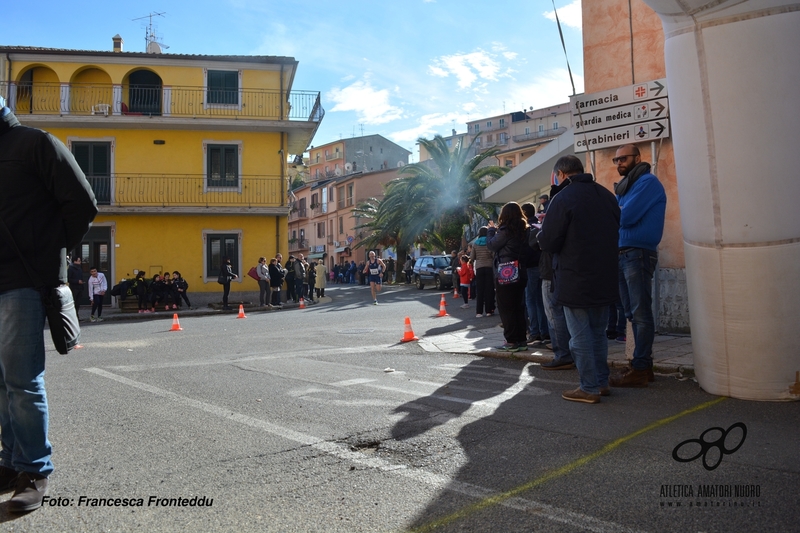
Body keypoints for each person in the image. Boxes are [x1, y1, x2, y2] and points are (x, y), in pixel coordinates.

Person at [0, 94, 98, 512]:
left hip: (24, 281)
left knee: (21, 381)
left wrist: (52, 255)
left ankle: (34, 469)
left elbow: (83, 203)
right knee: (3, 384)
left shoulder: (35, 143)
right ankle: (10, 462)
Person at [537, 155, 620, 404]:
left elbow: (549, 241)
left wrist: (540, 235)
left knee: (580, 335)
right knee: (598, 333)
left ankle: (588, 387)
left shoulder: (562, 198)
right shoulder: (606, 195)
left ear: (561, 174)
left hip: (575, 276)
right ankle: (601, 382)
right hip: (604, 274)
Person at [610, 144, 667, 388]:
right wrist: (617, 213)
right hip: (623, 252)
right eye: (616, 160)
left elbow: (624, 217)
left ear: (638, 158)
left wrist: (618, 213)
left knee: (640, 312)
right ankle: (643, 365)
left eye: (623, 158)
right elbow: (614, 215)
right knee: (631, 313)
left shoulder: (647, 182)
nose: (619, 163)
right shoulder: (625, 188)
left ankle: (641, 367)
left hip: (638, 253)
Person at [535, 186, 574, 370]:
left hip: (552, 271)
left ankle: (563, 354)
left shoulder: (559, 212)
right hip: (560, 270)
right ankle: (566, 352)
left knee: (554, 313)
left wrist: (542, 231)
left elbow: (546, 242)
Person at [487, 203, 532, 352]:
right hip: (521, 270)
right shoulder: (525, 230)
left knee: (506, 308)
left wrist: (491, 231)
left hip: (506, 271)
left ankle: (511, 341)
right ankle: (521, 340)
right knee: (519, 306)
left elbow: (492, 245)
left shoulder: (505, 231)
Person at [521, 202, 548, 345]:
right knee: (540, 300)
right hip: (542, 265)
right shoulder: (540, 225)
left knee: (530, 300)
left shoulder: (524, 228)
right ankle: (544, 332)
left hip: (530, 267)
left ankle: (535, 332)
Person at [470, 227, 495, 317]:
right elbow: (493, 254)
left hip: (479, 268)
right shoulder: (489, 242)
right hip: (489, 267)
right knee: (489, 289)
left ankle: (479, 312)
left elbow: (472, 257)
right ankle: (489, 310)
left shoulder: (475, 243)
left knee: (480, 290)